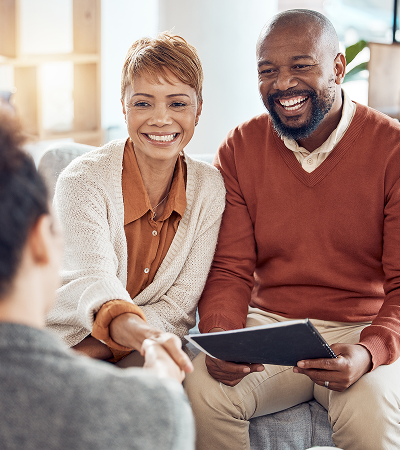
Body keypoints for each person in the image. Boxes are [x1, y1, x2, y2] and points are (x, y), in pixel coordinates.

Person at [184, 9, 400, 450]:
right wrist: (222, 340)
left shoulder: (391, 149)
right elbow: (230, 268)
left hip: (360, 327)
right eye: (268, 71)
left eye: (301, 66)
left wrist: (370, 351)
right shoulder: (240, 148)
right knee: (205, 391)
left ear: (338, 68)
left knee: (374, 409)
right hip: (272, 327)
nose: (282, 84)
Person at [0, 108, 195, 450]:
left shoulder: (204, 190)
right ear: (39, 240)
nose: (160, 118)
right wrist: (163, 385)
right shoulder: (144, 411)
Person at [45, 32, 225, 367]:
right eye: (143, 103)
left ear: (198, 110)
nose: (160, 118)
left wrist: (109, 349)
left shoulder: (209, 188)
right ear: (124, 109)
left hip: (131, 350)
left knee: (161, 380)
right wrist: (141, 340)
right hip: (60, 344)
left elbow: (177, 309)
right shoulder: (82, 181)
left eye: (178, 103)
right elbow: (91, 281)